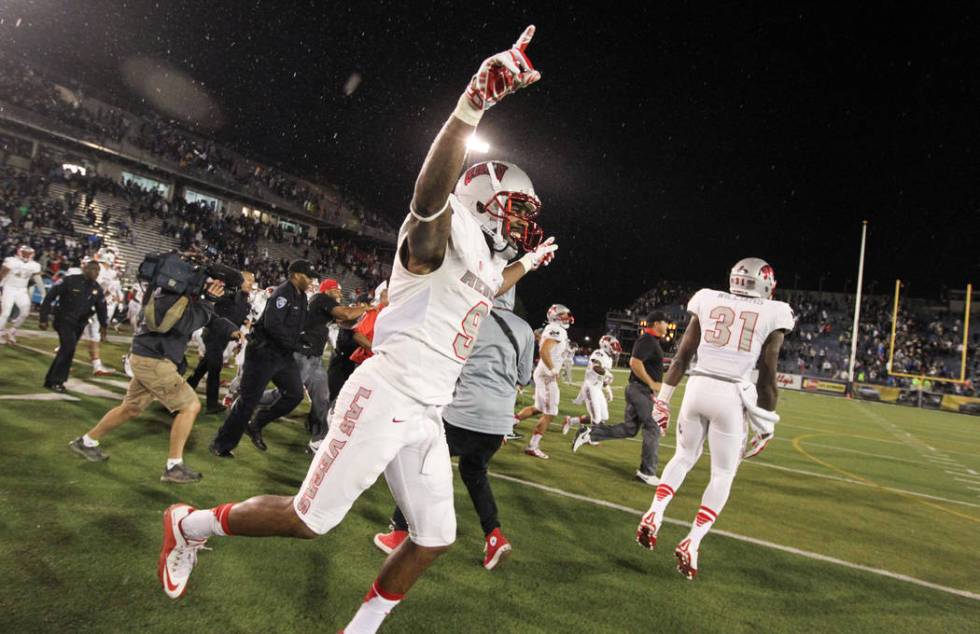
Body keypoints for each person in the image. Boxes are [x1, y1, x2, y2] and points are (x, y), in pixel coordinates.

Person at [159, 27, 554, 634]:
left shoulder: (487, 261)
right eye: (517, 209)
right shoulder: (443, 229)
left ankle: (361, 628)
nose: (523, 223)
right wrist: (469, 107)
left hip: (426, 408)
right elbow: (427, 200)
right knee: (309, 518)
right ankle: (188, 524)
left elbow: (485, 290)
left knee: (435, 536)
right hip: (388, 390)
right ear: (480, 200)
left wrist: (527, 263)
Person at [634, 258, 794, 580]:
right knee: (723, 473)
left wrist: (663, 401)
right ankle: (692, 541)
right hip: (731, 394)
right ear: (766, 285)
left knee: (683, 456)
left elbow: (681, 356)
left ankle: (655, 512)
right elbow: (767, 375)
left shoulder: (708, 298)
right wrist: (766, 425)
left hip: (696, 387)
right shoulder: (776, 311)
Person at [373, 286, 533, 570]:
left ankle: (399, 531)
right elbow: (523, 377)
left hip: (463, 412)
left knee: (419, 461)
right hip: (499, 421)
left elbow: (447, 363)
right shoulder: (525, 329)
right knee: (474, 472)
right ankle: (494, 535)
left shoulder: (470, 317)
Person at [68, 278, 242, 483]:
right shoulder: (169, 298)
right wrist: (208, 301)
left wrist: (232, 330)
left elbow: (209, 318)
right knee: (190, 406)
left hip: (149, 358)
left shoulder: (174, 295)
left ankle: (86, 441)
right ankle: (173, 466)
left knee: (131, 408)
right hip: (154, 360)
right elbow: (186, 323)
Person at [247, 277, 372, 451]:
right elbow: (346, 314)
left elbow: (345, 322)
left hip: (315, 359)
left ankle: (318, 438)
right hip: (302, 356)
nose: (338, 293)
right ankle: (247, 399)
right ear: (327, 290)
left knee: (322, 397)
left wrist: (364, 316)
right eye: (335, 290)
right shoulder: (321, 299)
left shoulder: (324, 305)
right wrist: (366, 307)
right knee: (285, 394)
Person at [209, 260, 316, 457]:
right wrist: (296, 345)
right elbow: (273, 325)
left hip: (282, 355)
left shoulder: (300, 297)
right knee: (248, 401)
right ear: (295, 275)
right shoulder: (283, 293)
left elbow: (292, 326)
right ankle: (221, 443)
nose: (310, 280)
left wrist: (302, 339)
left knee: (294, 394)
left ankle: (256, 424)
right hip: (263, 353)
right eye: (307, 276)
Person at [573, 311, 669, 485]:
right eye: (665, 322)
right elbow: (634, 362)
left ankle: (591, 433)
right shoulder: (647, 340)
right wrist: (652, 383)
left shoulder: (650, 341)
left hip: (638, 390)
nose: (667, 326)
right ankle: (647, 472)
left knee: (630, 429)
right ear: (656, 323)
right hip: (641, 390)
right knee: (653, 427)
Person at [187, 271, 254, 414]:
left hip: (225, 337)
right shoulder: (228, 294)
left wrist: (244, 322)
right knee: (215, 368)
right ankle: (212, 404)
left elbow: (236, 315)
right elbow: (214, 310)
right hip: (213, 333)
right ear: (239, 281)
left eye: (252, 281)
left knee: (202, 369)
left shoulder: (244, 299)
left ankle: (186, 387)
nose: (251, 283)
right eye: (248, 280)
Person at [513, 303, 574, 459]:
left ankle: (509, 423)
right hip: (546, 374)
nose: (568, 317)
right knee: (551, 412)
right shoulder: (557, 330)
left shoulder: (555, 329)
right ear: (557, 317)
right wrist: (553, 369)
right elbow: (544, 350)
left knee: (539, 407)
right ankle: (533, 446)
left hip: (543, 372)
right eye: (565, 315)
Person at [39, 260, 107, 392]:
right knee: (69, 347)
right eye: (93, 269)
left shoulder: (96, 288)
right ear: (85, 269)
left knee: (67, 349)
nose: (96, 273)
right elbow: (50, 297)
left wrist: (104, 326)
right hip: (63, 320)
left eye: (98, 270)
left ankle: (50, 380)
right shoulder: (69, 280)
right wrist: (43, 318)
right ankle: (57, 381)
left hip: (79, 324)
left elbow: (101, 308)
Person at [563, 335, 621, 433]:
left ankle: (570, 421)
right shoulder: (599, 353)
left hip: (597, 388)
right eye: (613, 345)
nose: (615, 348)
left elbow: (602, 378)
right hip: (590, 387)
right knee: (596, 419)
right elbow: (596, 367)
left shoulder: (609, 358)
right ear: (605, 345)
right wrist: (608, 374)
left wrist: (608, 390)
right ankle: (590, 438)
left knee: (604, 417)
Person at [80, 248, 120, 375]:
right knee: (91, 335)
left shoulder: (107, 271)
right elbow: (91, 286)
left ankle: (96, 365)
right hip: (91, 305)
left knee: (86, 333)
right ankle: (96, 366)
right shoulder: (101, 269)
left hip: (93, 304)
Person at [0, 244, 46, 344]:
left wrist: (43, 293)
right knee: (5, 313)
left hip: (22, 290)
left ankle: (12, 331)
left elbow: (38, 279)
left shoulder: (34, 265)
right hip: (9, 288)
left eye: (28, 254)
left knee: (25, 313)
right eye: (25, 253)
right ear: (19, 252)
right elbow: (1, 275)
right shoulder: (11, 261)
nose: (26, 256)